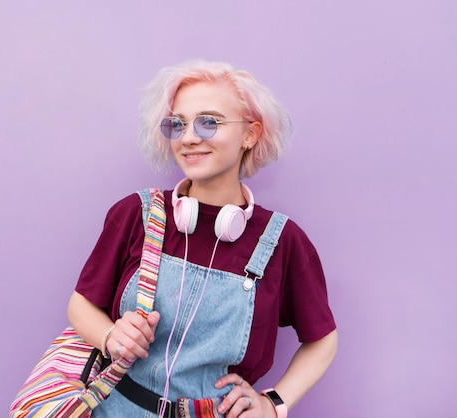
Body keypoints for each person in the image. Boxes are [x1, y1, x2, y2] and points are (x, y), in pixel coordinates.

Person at [67, 60, 337, 418]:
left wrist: (274, 404)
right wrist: (110, 336)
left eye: (209, 122)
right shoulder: (137, 214)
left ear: (250, 135)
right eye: (177, 124)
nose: (189, 137)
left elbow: (322, 339)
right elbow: (80, 304)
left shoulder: (283, 242)